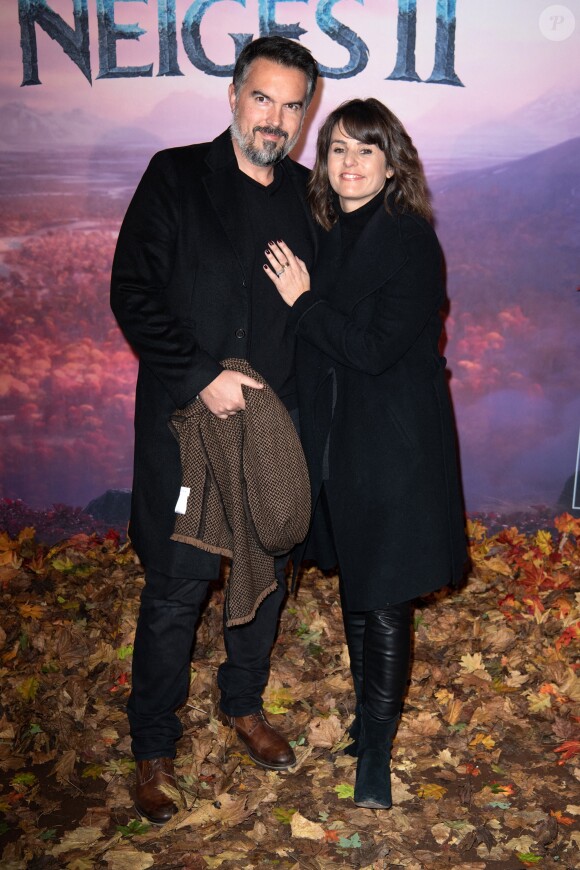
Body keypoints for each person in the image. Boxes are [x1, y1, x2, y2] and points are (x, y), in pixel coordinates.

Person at [110, 36, 319, 825]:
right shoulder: (173, 176)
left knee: (263, 569)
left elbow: (325, 311)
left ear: (306, 114)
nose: (275, 118)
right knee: (176, 585)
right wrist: (202, 373)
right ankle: (153, 746)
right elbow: (131, 290)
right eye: (262, 98)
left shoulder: (307, 196)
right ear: (233, 95)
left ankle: (244, 705)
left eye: (292, 105)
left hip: (275, 428)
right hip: (186, 422)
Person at [263, 98, 467, 809]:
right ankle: (367, 722)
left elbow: (375, 350)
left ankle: (376, 751)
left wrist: (303, 302)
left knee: (382, 594)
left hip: (394, 447)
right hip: (339, 443)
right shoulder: (329, 232)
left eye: (365, 150)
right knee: (359, 584)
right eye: (338, 149)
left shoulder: (409, 240)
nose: (349, 164)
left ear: (392, 163)